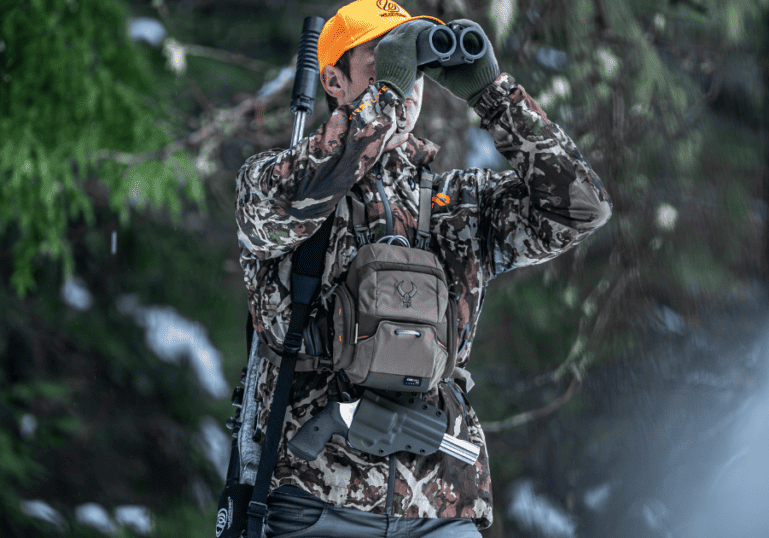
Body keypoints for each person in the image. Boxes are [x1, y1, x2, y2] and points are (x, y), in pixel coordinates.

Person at [235, 0, 612, 536]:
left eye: (412, 63)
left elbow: (581, 208)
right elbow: (305, 193)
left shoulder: (461, 202)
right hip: (315, 499)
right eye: (384, 60)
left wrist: (493, 95)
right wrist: (383, 101)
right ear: (334, 81)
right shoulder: (275, 183)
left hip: (442, 504)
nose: (407, 79)